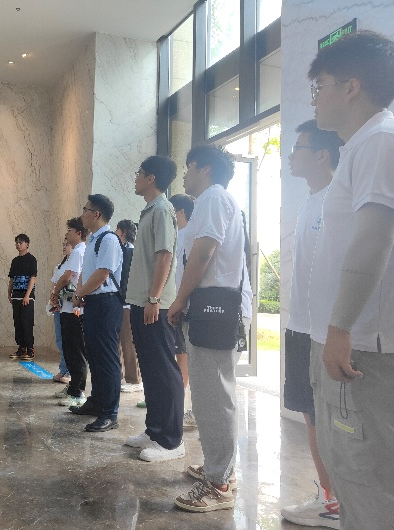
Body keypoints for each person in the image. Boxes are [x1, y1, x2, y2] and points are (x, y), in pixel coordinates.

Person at [306, 30, 394, 530]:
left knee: (367, 477)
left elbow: (373, 238)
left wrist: (340, 328)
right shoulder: (363, 144)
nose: (314, 98)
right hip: (348, 341)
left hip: (361, 346)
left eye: (319, 86)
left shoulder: (379, 139)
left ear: (351, 87)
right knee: (352, 471)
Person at [167, 145, 249, 513]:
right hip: (210, 307)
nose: (185, 174)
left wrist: (179, 298)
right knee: (208, 393)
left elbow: (203, 253)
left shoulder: (215, 197)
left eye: (189, 167)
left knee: (214, 395)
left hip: (214, 307)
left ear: (205, 169)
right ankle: (220, 468)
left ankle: (219, 483)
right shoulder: (210, 201)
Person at [280, 120, 343, 529]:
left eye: (298, 148)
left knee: (333, 418)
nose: (290, 156)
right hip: (301, 325)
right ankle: (329, 497)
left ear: (322, 155)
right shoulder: (309, 201)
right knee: (310, 412)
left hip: (327, 331)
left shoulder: (339, 199)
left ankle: (338, 502)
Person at [124, 155, 185, 463]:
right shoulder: (149, 210)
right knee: (149, 368)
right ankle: (154, 430)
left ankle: (172, 441)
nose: (136, 178)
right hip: (142, 302)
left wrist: (154, 299)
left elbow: (165, 255)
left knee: (163, 370)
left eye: (139, 173)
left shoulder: (162, 209)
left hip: (155, 305)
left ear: (151, 178)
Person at [70, 194, 124, 433]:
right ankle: (97, 401)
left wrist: (79, 292)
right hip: (93, 301)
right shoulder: (93, 240)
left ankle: (110, 413)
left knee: (107, 358)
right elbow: (88, 271)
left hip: (106, 303)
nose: (82, 214)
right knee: (94, 354)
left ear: (96, 214)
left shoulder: (109, 239)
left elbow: (102, 274)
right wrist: (82, 293)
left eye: (85, 209)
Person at [51, 217, 88, 406]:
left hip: (74, 309)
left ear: (78, 233)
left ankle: (78, 392)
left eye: (70, 230)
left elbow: (67, 277)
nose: (67, 234)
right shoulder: (77, 252)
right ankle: (73, 386)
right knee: (69, 348)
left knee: (75, 350)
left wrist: (55, 293)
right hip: (67, 308)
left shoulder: (79, 251)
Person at [168, 193, 197, 429]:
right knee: (181, 356)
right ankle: (177, 404)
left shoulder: (189, 236)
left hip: (187, 306)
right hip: (178, 304)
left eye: (171, 212)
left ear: (180, 213)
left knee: (185, 358)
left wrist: (180, 301)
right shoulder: (180, 236)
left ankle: (185, 408)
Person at [115, 219, 142, 394]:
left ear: (124, 232)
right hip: (122, 302)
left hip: (126, 303)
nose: (116, 233)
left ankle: (134, 379)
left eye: (118, 230)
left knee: (127, 341)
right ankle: (123, 376)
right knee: (120, 341)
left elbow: (126, 280)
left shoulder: (130, 252)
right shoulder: (124, 251)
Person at [8, 234, 38, 361]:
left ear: (27, 244)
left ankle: (30, 349)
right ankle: (21, 348)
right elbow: (11, 278)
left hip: (27, 298)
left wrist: (27, 295)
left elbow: (33, 278)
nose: (18, 244)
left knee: (27, 323)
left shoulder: (31, 259)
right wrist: (9, 293)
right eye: (16, 242)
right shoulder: (15, 261)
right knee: (18, 323)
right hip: (16, 296)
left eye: (21, 242)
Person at [50, 242, 72, 384]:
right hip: (58, 306)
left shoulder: (76, 261)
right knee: (60, 339)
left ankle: (70, 372)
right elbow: (54, 283)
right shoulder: (60, 265)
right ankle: (63, 368)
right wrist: (53, 298)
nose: (64, 247)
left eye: (67, 244)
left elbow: (67, 280)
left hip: (70, 306)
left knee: (69, 340)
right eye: (63, 244)